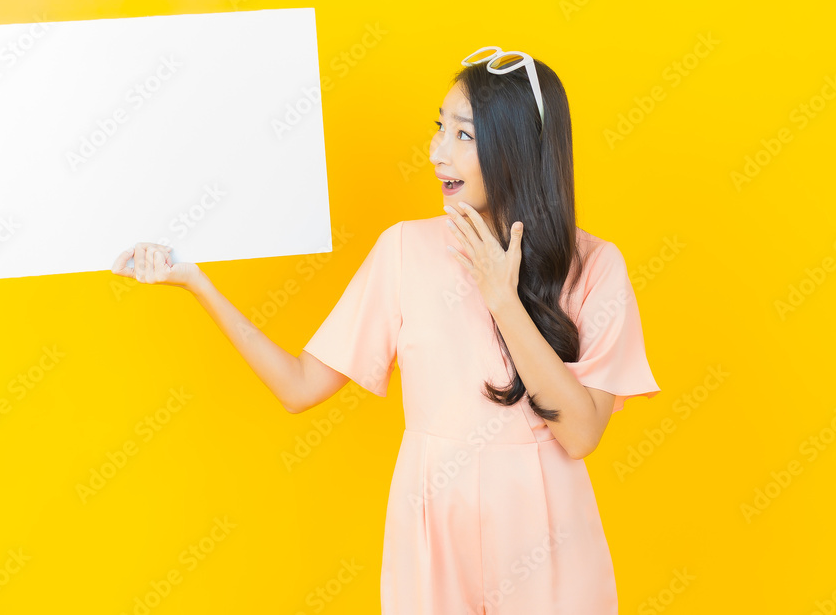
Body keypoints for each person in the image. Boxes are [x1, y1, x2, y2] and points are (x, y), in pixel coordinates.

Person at [111, 46, 660, 614]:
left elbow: (582, 434)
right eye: (439, 129)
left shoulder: (596, 266)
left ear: (518, 148)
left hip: (546, 539)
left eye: (464, 136)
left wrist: (503, 298)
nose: (437, 153)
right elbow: (299, 386)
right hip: (432, 533)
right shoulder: (404, 250)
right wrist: (199, 283)